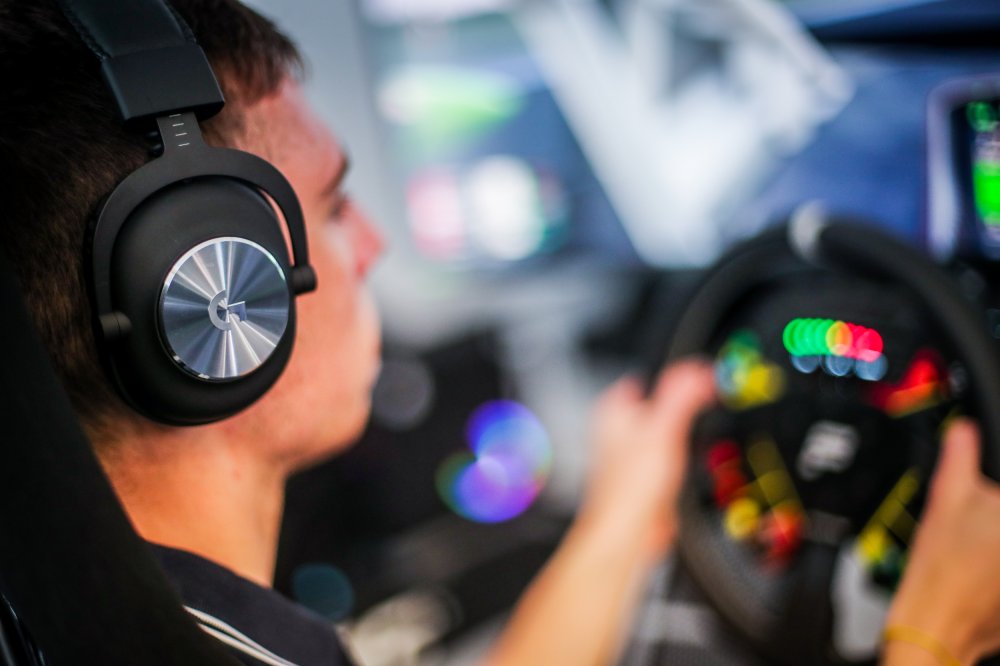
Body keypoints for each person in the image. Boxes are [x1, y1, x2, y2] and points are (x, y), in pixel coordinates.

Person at [1, 1, 999, 665]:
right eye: (337, 207)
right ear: (217, 297)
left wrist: (624, 517)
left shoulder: (103, 615)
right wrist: (932, 637)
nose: (375, 245)